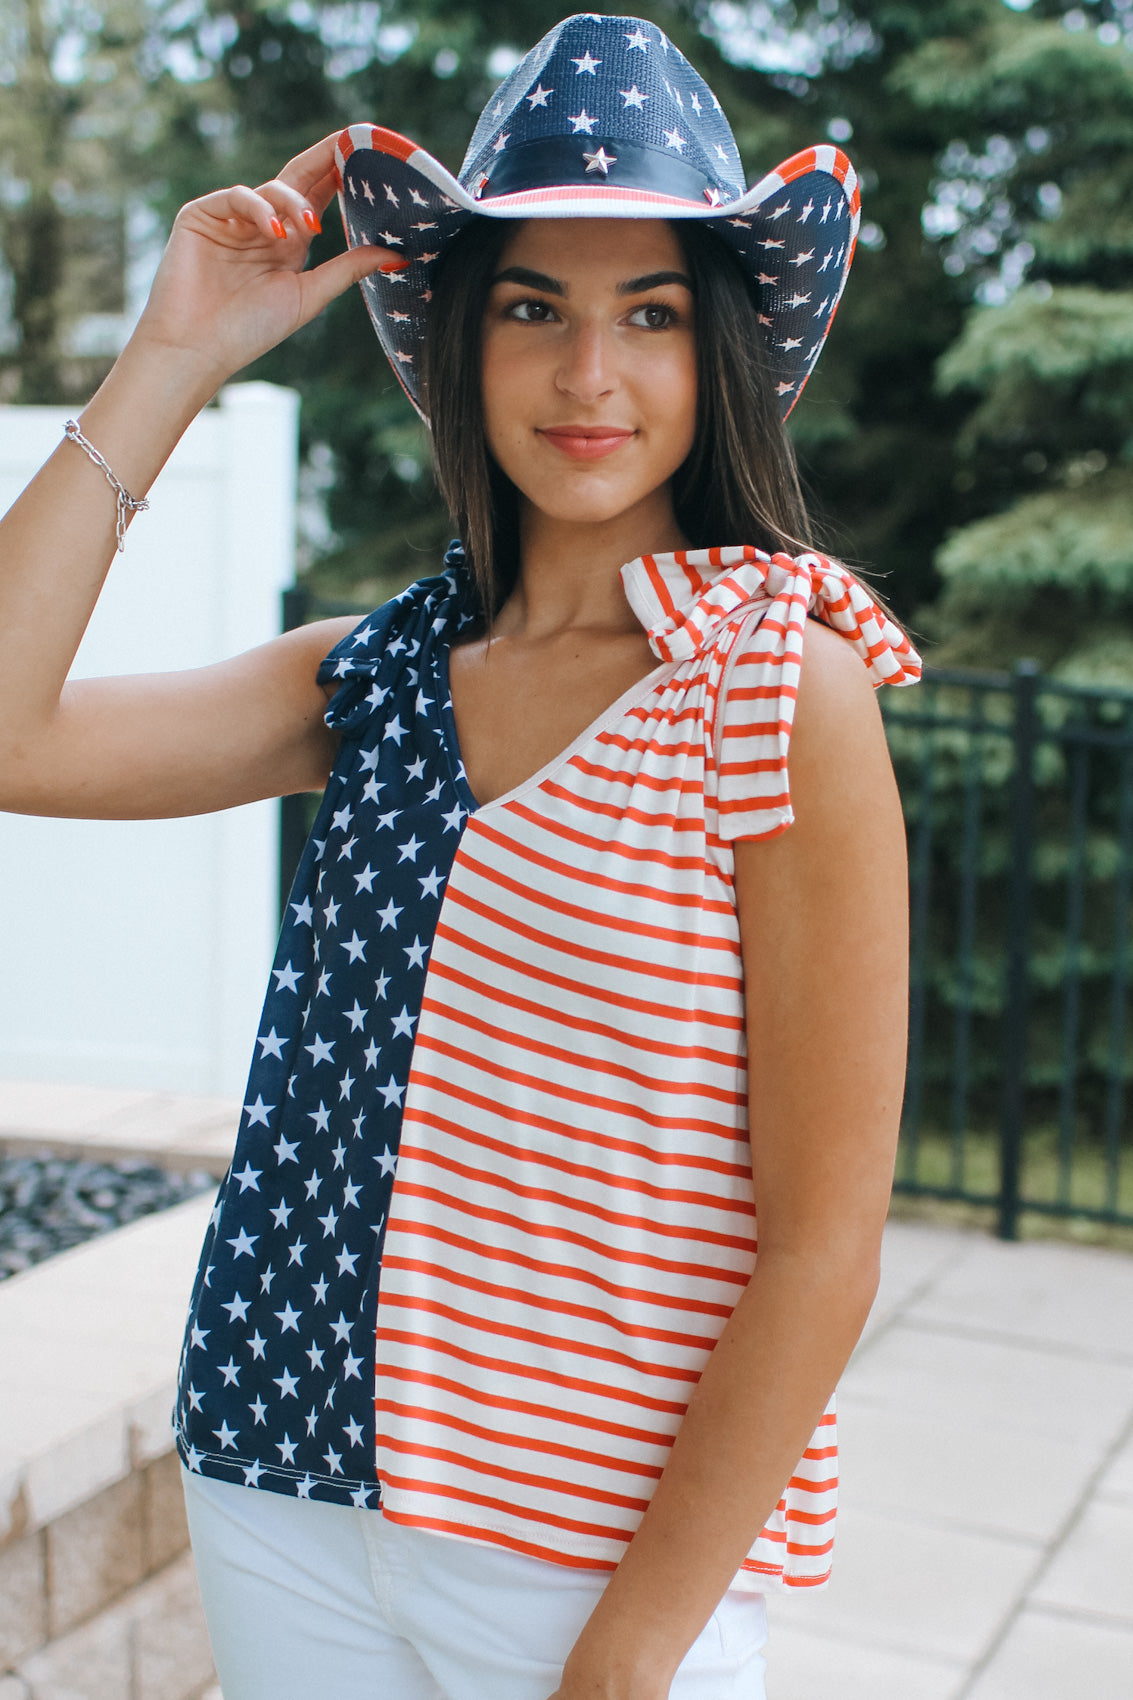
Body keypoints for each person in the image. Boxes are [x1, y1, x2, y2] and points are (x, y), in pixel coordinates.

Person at [0, 14, 921, 1699]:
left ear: (714, 351)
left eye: (648, 314)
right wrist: (175, 357)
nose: (589, 376)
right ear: (455, 340)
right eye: (533, 310)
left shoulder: (776, 688)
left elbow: (823, 1241)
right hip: (281, 1485)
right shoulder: (369, 680)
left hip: (591, 1558)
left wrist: (629, 1658)